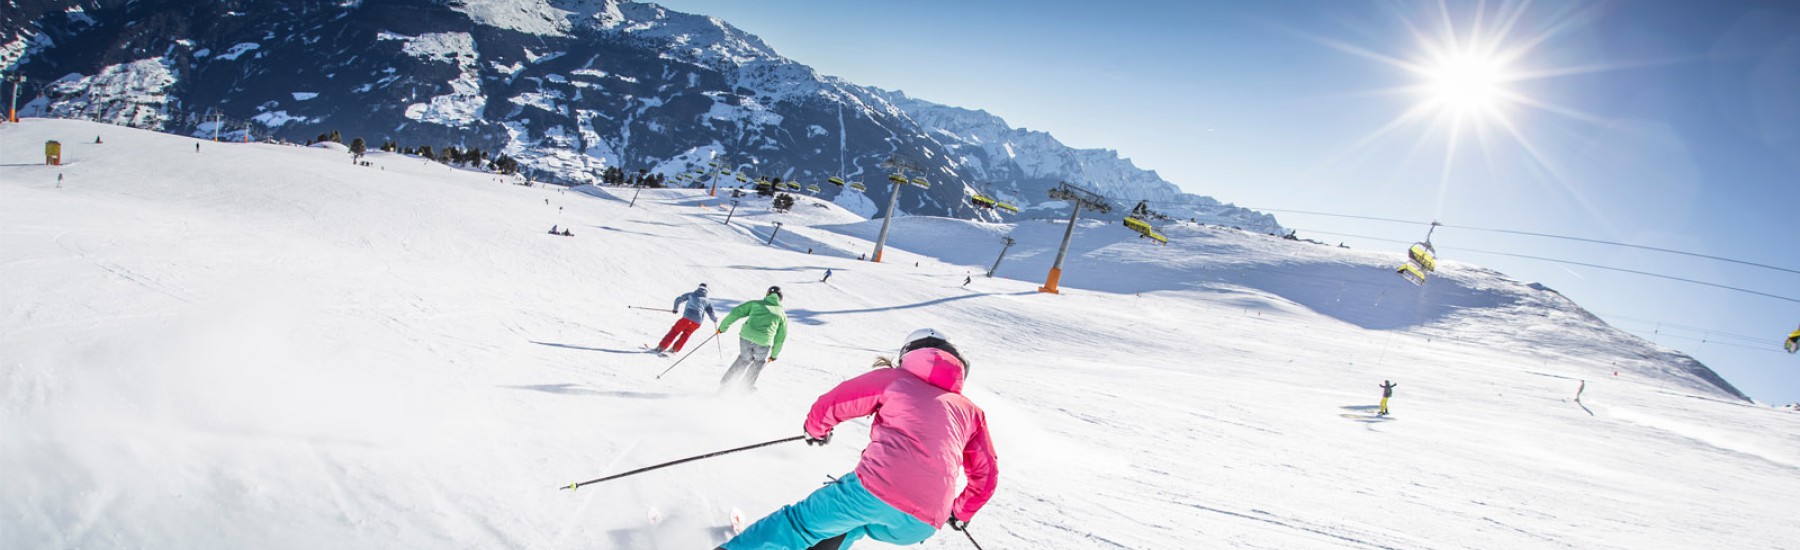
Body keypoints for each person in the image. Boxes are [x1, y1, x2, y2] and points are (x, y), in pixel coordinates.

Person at [718, 329, 998, 550]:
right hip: (921, 524)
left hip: (876, 491)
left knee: (798, 524)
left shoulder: (896, 379)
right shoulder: (971, 412)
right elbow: (986, 477)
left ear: (909, 353)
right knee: (849, 524)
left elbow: (835, 402)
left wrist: (817, 430)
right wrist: (960, 512)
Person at [716, 286, 789, 392]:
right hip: (764, 342)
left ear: (767, 294)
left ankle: (726, 384)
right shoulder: (781, 314)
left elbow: (736, 312)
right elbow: (781, 337)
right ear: (780, 299)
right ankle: (745, 387)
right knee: (758, 362)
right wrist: (774, 355)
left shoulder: (756, 304)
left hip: (746, 337)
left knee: (744, 359)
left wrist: (722, 328)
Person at [654, 283, 717, 355]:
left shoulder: (691, 294)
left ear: (698, 288)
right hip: (697, 322)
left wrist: (675, 308)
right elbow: (711, 313)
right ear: (707, 291)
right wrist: (714, 319)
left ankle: (661, 347)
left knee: (675, 331)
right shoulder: (708, 301)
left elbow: (679, 299)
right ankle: (674, 349)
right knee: (686, 334)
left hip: (687, 318)